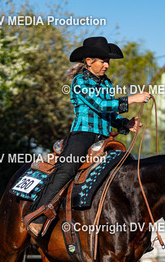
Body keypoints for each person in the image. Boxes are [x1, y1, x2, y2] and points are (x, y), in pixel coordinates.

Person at [26, 36, 151, 237]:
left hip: (104, 137)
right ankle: (37, 216)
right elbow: (100, 105)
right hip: (83, 134)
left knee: (126, 167)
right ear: (89, 61)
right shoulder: (80, 81)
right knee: (67, 169)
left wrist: (124, 124)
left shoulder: (107, 83)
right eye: (103, 61)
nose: (107, 65)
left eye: (108, 61)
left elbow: (108, 113)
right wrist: (131, 99)